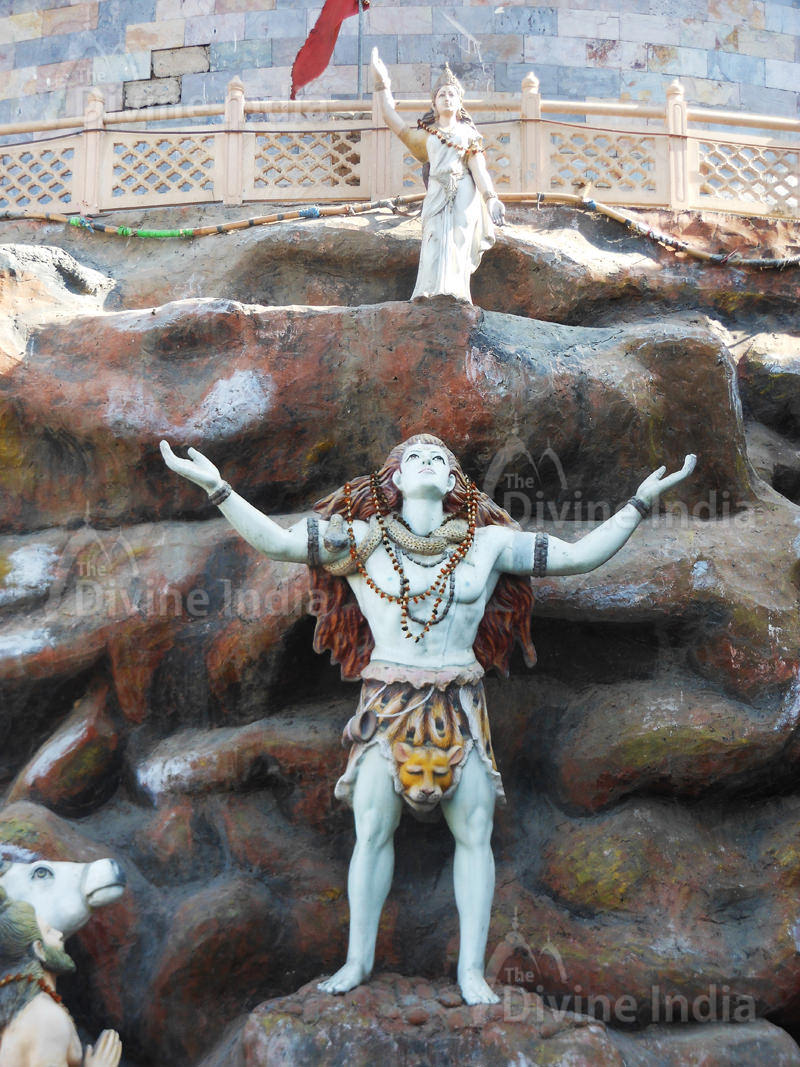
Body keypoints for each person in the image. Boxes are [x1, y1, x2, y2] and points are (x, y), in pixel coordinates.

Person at [160, 434, 695, 1004]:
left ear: (455, 483)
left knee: (475, 836)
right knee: (370, 833)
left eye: (440, 458)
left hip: (461, 708)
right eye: (414, 456)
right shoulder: (360, 539)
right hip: (386, 706)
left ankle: (471, 973)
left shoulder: (487, 544)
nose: (428, 461)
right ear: (391, 478)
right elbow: (279, 543)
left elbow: (578, 556)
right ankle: (357, 962)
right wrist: (217, 486)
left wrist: (639, 503)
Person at [371, 49, 504, 303]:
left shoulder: (468, 134)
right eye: (441, 94)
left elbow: (478, 169)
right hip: (436, 193)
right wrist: (381, 83)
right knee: (433, 239)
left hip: (464, 191)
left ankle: (457, 294)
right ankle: (427, 292)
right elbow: (391, 118)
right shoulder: (427, 136)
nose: (446, 98)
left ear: (459, 103)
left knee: (458, 241)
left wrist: (491, 198)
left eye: (451, 94)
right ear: (434, 104)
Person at [0, 888, 122, 1067]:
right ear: (39, 950)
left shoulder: (14, 1010)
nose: (59, 934)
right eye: (49, 932)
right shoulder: (48, 1019)